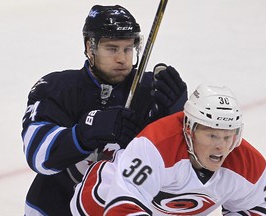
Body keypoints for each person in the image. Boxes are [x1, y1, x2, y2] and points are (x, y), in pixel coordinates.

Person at [21, 5, 187, 216]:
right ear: (90, 47)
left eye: (128, 48)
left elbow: (183, 166)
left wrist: (177, 118)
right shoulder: (57, 88)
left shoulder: (150, 90)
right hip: (55, 207)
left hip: (125, 209)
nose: (122, 58)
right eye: (112, 48)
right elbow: (37, 154)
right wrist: (86, 132)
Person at [70, 83, 266, 216]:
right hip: (97, 205)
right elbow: (121, 208)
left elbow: (251, 209)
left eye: (228, 136)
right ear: (189, 130)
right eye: (212, 135)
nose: (221, 146)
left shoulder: (250, 166)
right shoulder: (156, 146)